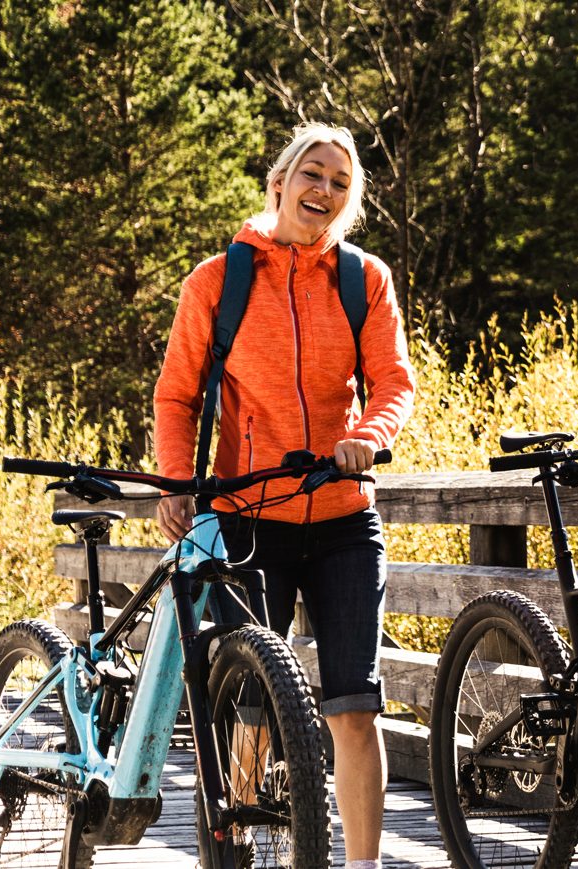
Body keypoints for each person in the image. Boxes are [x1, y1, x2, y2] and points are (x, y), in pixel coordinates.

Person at [151, 122, 417, 869]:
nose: (324, 190)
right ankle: (235, 853)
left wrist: (368, 431)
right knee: (252, 705)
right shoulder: (218, 280)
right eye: (313, 173)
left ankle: (361, 865)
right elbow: (176, 396)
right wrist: (179, 482)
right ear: (279, 181)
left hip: (342, 516)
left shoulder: (364, 279)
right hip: (246, 518)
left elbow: (393, 381)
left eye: (340, 182)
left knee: (354, 706)